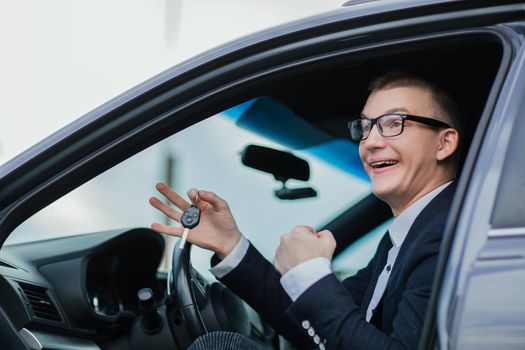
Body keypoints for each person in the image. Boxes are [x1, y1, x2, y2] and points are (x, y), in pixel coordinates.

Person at [149, 71, 462, 349]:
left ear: (444, 143)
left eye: (395, 123)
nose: (370, 142)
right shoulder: (404, 239)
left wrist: (312, 274)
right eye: (365, 128)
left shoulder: (448, 234)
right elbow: (319, 323)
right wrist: (230, 245)